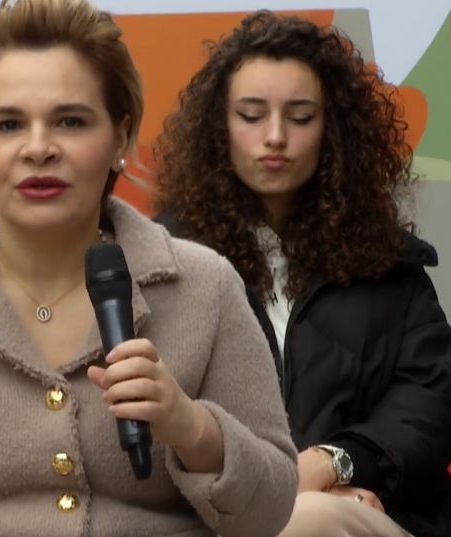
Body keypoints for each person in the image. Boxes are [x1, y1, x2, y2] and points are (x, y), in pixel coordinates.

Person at [0, 1, 298, 536]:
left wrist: (194, 429)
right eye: (7, 124)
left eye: (70, 121)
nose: (38, 148)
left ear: (120, 137)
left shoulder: (204, 285)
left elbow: (271, 510)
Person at [154, 11, 451, 537]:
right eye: (251, 115)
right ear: (219, 129)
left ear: (332, 130)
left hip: (371, 511)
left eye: (300, 116)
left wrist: (338, 464)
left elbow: (431, 405)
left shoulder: (389, 264)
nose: (275, 137)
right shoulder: (166, 261)